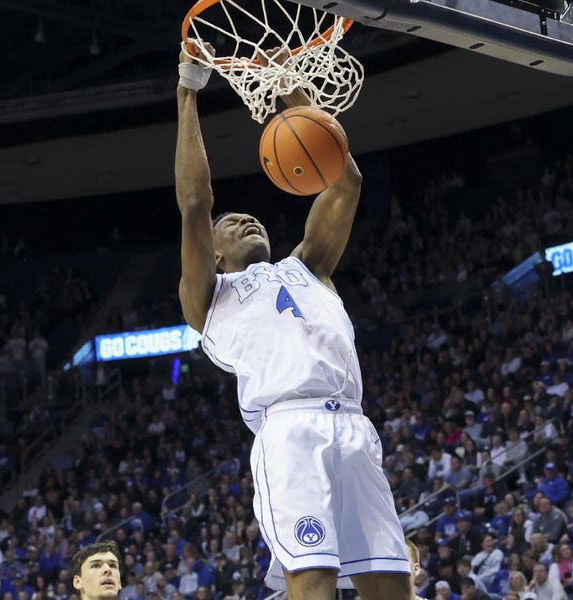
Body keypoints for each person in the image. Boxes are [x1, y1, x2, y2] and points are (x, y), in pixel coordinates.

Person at [175, 40, 410, 600]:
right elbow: (194, 203)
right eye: (231, 223)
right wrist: (188, 93)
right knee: (314, 582)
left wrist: (286, 88)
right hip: (288, 430)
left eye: (250, 216)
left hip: (353, 425)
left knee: (392, 585)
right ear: (215, 253)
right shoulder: (209, 296)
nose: (244, 220)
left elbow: (344, 180)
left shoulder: (309, 265)